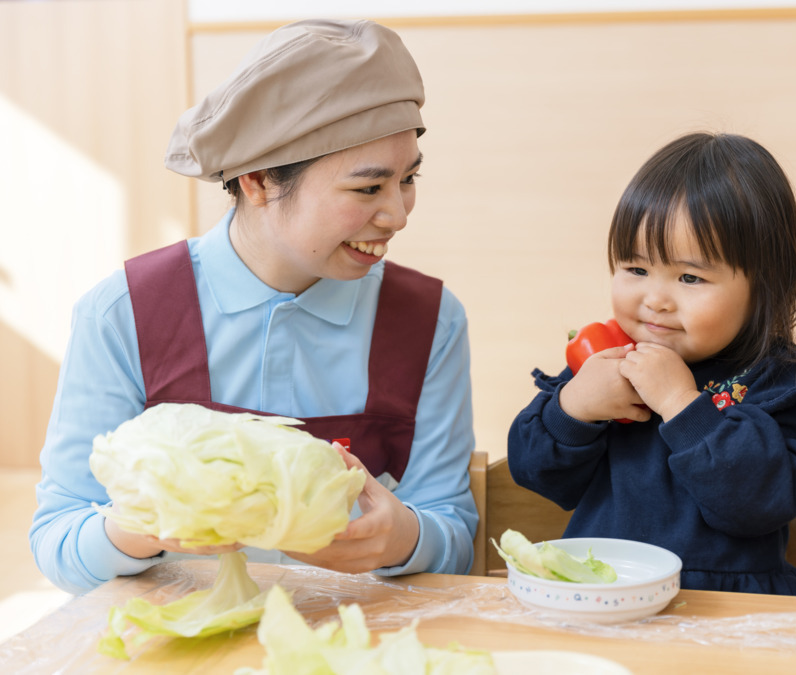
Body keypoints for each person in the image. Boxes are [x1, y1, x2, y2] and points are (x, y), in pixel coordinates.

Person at [30, 19, 478, 595]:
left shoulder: (430, 320)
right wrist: (137, 526)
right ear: (260, 180)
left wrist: (407, 537)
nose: (398, 214)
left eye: (408, 179)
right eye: (368, 189)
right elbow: (57, 541)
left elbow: (454, 532)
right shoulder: (123, 314)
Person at [508, 132, 796, 596]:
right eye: (636, 269)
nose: (655, 300)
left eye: (690, 277)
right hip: (608, 595)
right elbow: (536, 473)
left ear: (764, 287)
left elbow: (759, 502)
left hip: (731, 609)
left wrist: (680, 402)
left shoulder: (773, 378)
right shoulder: (610, 357)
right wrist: (573, 406)